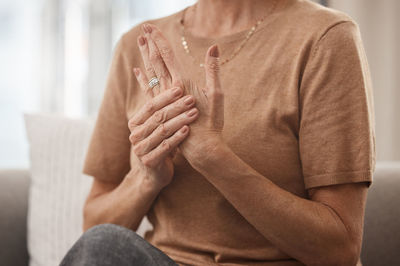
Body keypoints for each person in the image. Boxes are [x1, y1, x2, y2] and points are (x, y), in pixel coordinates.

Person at [60, 0, 376, 265]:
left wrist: (213, 158)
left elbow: (341, 248)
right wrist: (145, 178)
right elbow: (93, 230)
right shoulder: (138, 46)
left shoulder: (325, 37)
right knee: (102, 244)